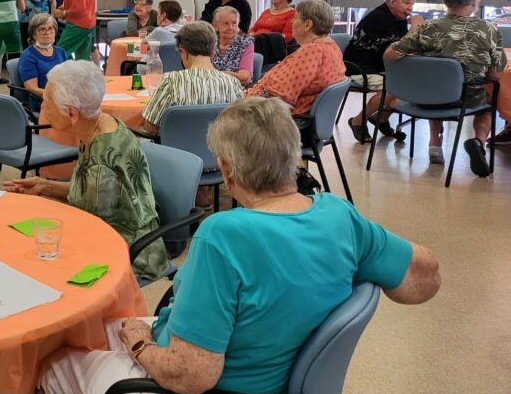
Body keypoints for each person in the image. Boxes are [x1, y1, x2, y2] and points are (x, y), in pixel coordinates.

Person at [39, 97, 441, 394]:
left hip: (212, 384)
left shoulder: (223, 235)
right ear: (292, 158)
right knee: (90, 331)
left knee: (49, 361)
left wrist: (139, 342)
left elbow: (191, 374)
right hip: (267, 368)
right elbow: (424, 280)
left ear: (227, 171)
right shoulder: (340, 215)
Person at [3, 61, 168, 281]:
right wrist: (45, 185)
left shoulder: (102, 162)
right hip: (120, 233)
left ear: (72, 113)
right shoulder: (101, 124)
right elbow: (87, 190)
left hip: (130, 253)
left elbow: (89, 226)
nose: (43, 108)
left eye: (47, 103)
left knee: (28, 262)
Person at [384, 0, 506, 176]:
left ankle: (435, 144)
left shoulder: (427, 28)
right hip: (467, 97)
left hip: (427, 95)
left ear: (446, 2)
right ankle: (478, 141)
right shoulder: (489, 30)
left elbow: (389, 55)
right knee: (489, 100)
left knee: (437, 86)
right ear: (474, 0)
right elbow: (496, 74)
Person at [245, 0, 346, 116]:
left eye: (296, 18)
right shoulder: (331, 45)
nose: (292, 21)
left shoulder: (312, 52)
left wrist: (244, 98)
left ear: (307, 24)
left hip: (271, 117)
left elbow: (279, 97)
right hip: (279, 110)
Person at [344, 0, 420, 143]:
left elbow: (401, 49)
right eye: (406, 2)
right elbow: (394, 50)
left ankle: (381, 118)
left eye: (412, 4)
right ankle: (358, 120)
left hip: (380, 66)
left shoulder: (397, 19)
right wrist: (415, 29)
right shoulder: (378, 18)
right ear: (392, 2)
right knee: (392, 89)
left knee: (409, 85)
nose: (410, 8)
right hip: (359, 67)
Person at [140, 22, 242, 135]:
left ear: (183, 52)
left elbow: (150, 127)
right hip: (220, 150)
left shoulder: (170, 81)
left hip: (177, 150)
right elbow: (239, 125)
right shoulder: (233, 83)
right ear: (213, 52)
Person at [18, 13, 67, 110]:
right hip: (44, 103)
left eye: (50, 28)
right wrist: (59, 97)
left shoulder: (60, 52)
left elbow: (71, 77)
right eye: (42, 29)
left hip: (64, 99)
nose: (47, 32)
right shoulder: (28, 56)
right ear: (33, 33)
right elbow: (32, 89)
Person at [210, 6, 255, 86]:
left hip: (234, 90)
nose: (230, 28)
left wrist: (216, 74)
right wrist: (231, 75)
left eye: (234, 23)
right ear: (216, 26)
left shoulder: (245, 43)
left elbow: (244, 77)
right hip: (211, 86)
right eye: (226, 23)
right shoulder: (209, 42)